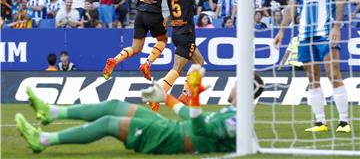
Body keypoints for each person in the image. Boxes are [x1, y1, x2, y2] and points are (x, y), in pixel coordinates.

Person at [15, 65, 264, 155]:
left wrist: (196, 97)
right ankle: (51, 112)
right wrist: (165, 97)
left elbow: (199, 128)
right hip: (174, 129)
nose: (233, 85)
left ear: (245, 90)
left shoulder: (237, 122)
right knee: (114, 106)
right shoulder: (232, 115)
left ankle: (43, 140)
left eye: (237, 83)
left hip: (170, 139)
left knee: (109, 123)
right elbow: (193, 118)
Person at [274, 0, 351, 133]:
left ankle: (343, 121)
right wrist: (282, 31)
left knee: (334, 74)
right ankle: (320, 122)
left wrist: (336, 26)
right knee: (312, 77)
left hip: (326, 31)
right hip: (305, 34)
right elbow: (292, 5)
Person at [102, 0, 190, 83]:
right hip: (153, 13)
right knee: (162, 40)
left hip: (140, 13)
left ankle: (114, 60)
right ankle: (147, 64)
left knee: (136, 48)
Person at [156, 0, 214, 109]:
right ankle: (158, 95)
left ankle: (185, 96)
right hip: (186, 34)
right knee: (177, 69)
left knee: (199, 62)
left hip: (176, 32)